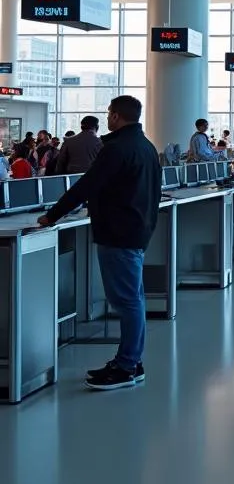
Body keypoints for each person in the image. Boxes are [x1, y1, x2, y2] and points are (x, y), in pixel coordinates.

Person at [38, 96, 160, 391]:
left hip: (118, 233)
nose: (107, 118)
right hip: (136, 230)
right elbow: (155, 190)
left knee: (127, 301)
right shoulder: (146, 147)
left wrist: (52, 216)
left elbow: (87, 185)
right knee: (133, 300)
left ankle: (126, 366)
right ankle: (132, 361)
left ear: (116, 116)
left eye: (109, 113)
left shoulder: (117, 148)